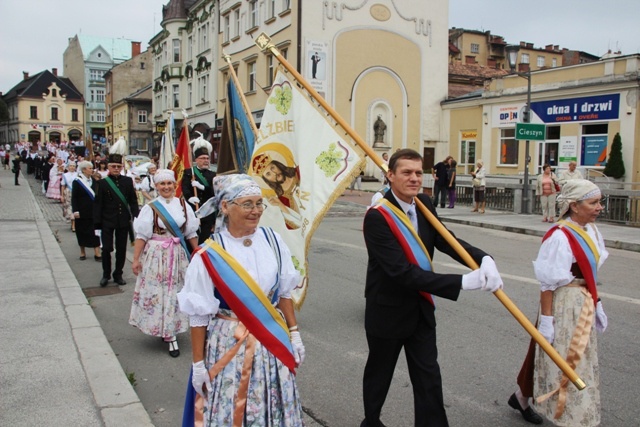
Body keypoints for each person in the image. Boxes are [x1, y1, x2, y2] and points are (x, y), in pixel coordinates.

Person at [361, 149, 504, 427]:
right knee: (379, 376)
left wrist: (483, 258)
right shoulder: (377, 217)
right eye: (406, 173)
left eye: (418, 173)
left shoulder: (424, 202)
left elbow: (446, 239)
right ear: (390, 176)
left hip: (420, 310)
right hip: (387, 311)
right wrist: (462, 281)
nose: (414, 178)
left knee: (429, 379)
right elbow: (402, 273)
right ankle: (371, 422)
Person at [178, 174, 305, 426]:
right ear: (225, 207)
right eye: (247, 204)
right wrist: (198, 364)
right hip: (228, 341)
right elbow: (199, 315)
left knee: (273, 399)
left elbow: (283, 292)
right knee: (231, 401)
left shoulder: (273, 240)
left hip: (270, 339)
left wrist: (293, 332)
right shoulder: (209, 253)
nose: (256, 211)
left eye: (259, 203)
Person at [509, 179, 608, 426]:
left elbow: (590, 272)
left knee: (567, 357)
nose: (600, 207)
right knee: (562, 358)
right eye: (593, 202)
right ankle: (567, 414)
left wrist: (596, 302)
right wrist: (547, 320)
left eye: (600, 202)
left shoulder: (591, 230)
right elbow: (548, 284)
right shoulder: (560, 236)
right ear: (574, 206)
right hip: (565, 305)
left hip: (583, 301)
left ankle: (522, 396)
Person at [129, 169, 199, 357]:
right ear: (156, 186)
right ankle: (163, 328)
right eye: (162, 184)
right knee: (159, 293)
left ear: (174, 185)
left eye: (169, 183)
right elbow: (142, 235)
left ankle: (171, 331)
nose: (166, 187)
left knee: (176, 293)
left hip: (177, 256)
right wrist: (136, 259)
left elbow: (190, 233)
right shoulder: (150, 207)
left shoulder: (184, 205)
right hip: (156, 256)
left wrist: (199, 254)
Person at [94, 151, 140, 287]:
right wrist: (97, 224)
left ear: (121, 167)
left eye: (118, 166)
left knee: (121, 250)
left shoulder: (127, 181)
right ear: (108, 166)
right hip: (107, 220)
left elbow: (133, 200)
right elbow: (98, 204)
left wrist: (136, 216)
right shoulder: (102, 183)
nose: (115, 168)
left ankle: (118, 274)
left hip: (123, 220)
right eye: (113, 166)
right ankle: (106, 274)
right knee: (107, 249)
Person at [182, 146, 216, 244]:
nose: (206, 161)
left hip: (207, 211)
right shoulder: (189, 172)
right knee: (191, 235)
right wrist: (189, 197)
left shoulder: (212, 175)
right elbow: (185, 187)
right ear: (196, 160)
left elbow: (215, 192)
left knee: (205, 238)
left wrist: (202, 187)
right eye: (203, 158)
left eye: (207, 158)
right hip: (193, 209)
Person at [71, 161, 102, 261]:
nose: (92, 170)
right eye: (90, 168)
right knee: (82, 231)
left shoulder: (94, 181)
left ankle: (97, 252)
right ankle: (82, 252)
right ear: (84, 170)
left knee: (95, 231)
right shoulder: (77, 181)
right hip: (82, 211)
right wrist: (75, 211)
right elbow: (74, 197)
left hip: (93, 211)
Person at [61, 162, 78, 231]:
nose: (72, 167)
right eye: (71, 166)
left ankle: (75, 223)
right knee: (69, 207)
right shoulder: (65, 175)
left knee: (75, 207)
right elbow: (63, 185)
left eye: (74, 166)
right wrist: (62, 195)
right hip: (68, 192)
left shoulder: (78, 175)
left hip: (76, 192)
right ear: (68, 167)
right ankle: (72, 223)